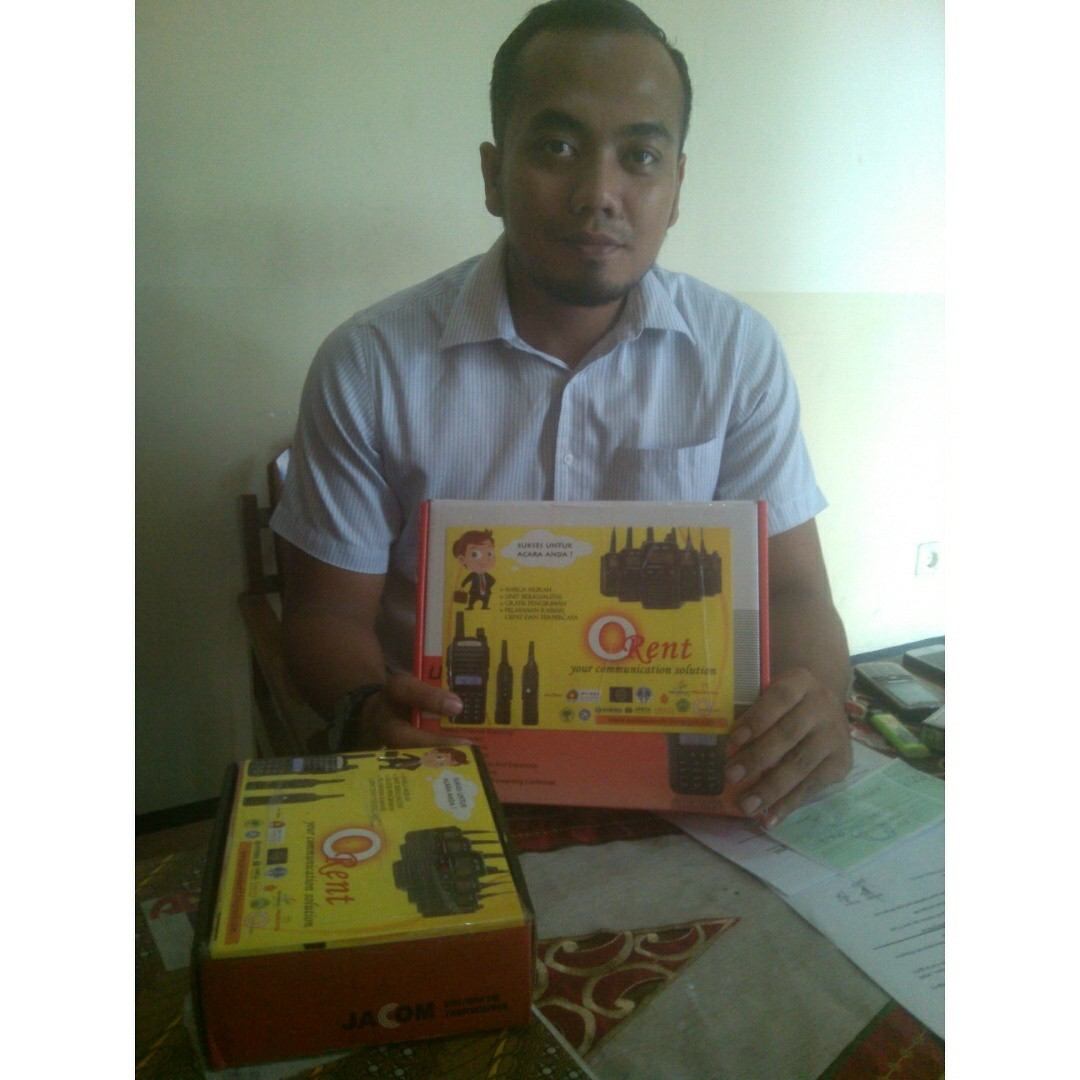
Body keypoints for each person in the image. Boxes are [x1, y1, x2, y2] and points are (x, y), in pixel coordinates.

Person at [272, 0, 853, 827]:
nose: (599, 195)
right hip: (449, 772)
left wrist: (817, 703)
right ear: (492, 174)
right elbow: (327, 615)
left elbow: (792, 590)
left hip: (686, 780)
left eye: (640, 156)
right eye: (557, 147)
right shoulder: (369, 363)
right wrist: (368, 707)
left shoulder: (738, 353)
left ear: (677, 187)